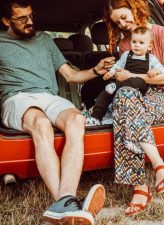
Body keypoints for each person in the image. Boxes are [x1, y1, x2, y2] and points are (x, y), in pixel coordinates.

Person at [0, 0, 115, 224]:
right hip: (17, 98)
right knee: (41, 124)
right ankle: (65, 202)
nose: (30, 22)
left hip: (49, 97)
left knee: (76, 120)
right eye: (22, 19)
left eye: (31, 16)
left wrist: (95, 70)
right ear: (6, 21)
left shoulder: (44, 40)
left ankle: (64, 204)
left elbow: (71, 76)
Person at [102, 0, 164, 216]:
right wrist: (118, 74)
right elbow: (124, 81)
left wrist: (133, 76)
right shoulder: (124, 46)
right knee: (124, 96)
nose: (123, 23)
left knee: (123, 109)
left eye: (124, 16)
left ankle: (140, 190)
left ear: (134, 8)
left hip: (163, 96)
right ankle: (159, 167)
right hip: (134, 96)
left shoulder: (162, 33)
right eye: (117, 21)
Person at [85, 26, 164, 126]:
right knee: (104, 94)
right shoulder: (127, 54)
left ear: (149, 46)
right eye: (134, 42)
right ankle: (96, 118)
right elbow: (118, 65)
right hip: (122, 85)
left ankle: (116, 88)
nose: (136, 45)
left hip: (139, 88)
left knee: (139, 80)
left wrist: (155, 70)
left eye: (141, 43)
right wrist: (111, 72)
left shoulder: (151, 59)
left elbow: (162, 69)